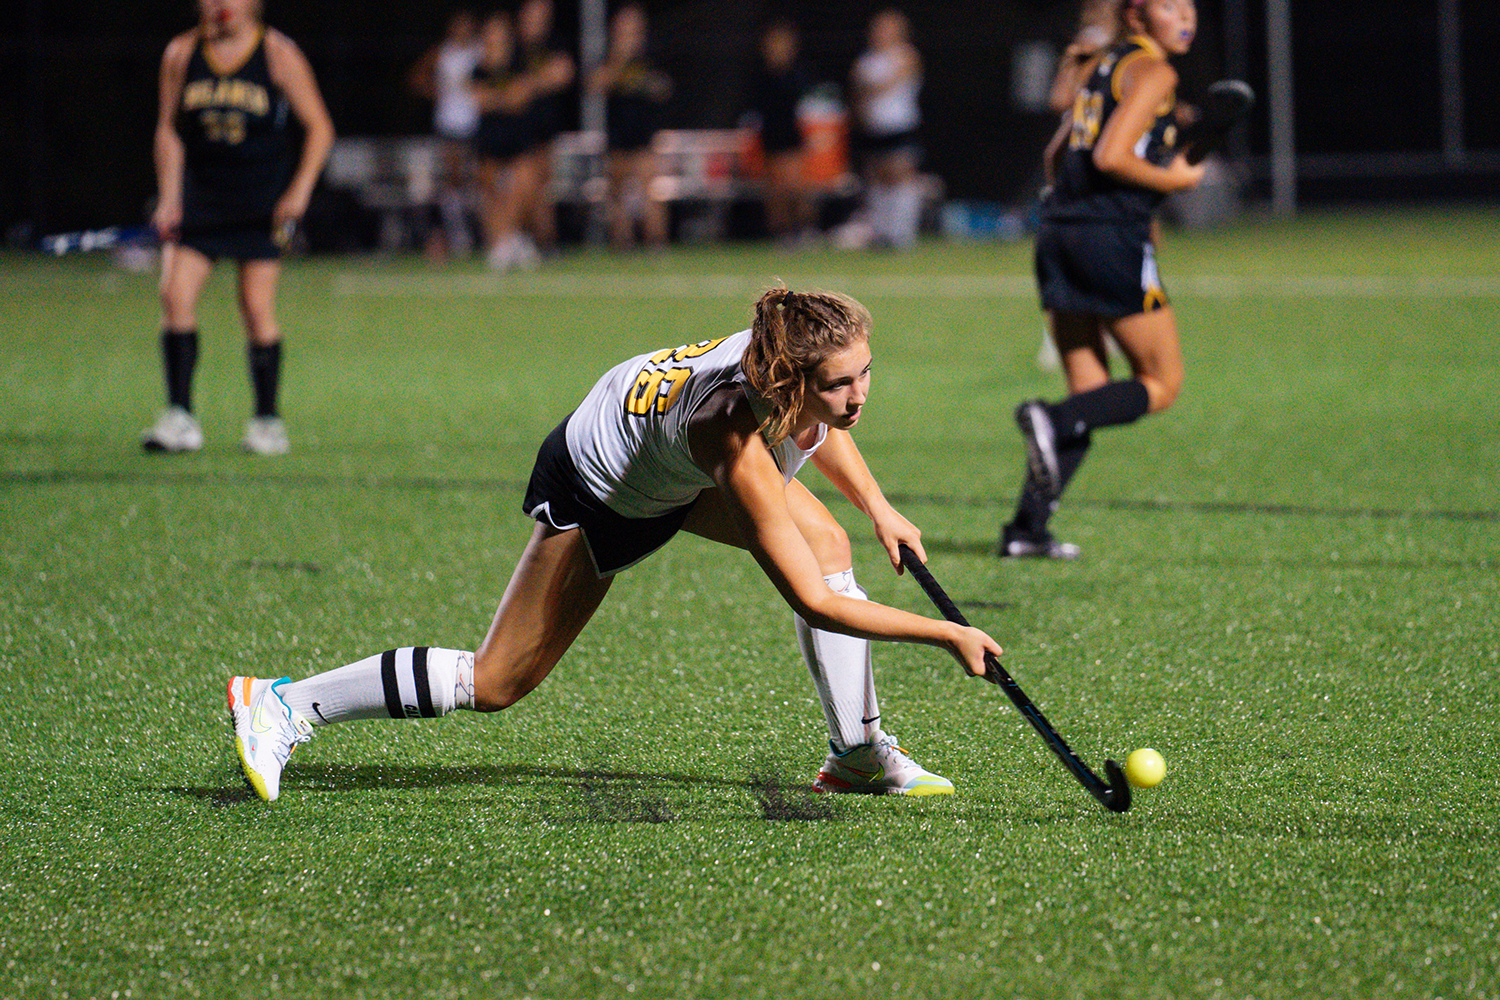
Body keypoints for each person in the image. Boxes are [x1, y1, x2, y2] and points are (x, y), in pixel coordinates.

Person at [227, 287, 1005, 802]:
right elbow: (812, 600)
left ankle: (857, 756)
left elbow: (817, 426)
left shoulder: (788, 353)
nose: (859, 395)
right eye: (842, 384)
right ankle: (286, 703)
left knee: (831, 536)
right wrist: (946, 632)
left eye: (866, 373)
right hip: (601, 485)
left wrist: (879, 507)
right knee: (499, 681)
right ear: (790, 379)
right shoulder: (728, 432)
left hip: (659, 454)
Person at [1000, 0, 1204, 560]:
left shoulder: (1101, 65)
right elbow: (1113, 155)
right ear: (1137, 15)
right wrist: (1174, 179)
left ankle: (1026, 529)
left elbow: (1055, 153)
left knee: (1091, 395)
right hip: (1109, 238)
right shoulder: (1155, 70)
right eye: (1169, 7)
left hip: (1059, 233)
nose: (1185, 17)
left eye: (1188, 5)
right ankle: (1050, 419)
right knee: (1162, 383)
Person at [143, 0, 333, 455]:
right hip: (201, 202)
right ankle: (179, 417)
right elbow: (168, 130)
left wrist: (299, 193)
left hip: (261, 205)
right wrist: (170, 198)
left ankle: (267, 421)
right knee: (175, 295)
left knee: (255, 305)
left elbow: (320, 128)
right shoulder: (181, 53)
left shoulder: (278, 54)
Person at [588, 3, 673, 250]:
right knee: (616, 195)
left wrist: (645, 81)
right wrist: (620, 60)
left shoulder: (650, 55)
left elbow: (664, 88)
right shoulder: (607, 55)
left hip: (644, 135)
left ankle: (656, 242)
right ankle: (622, 243)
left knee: (651, 192)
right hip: (617, 136)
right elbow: (594, 83)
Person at [469, 11, 544, 271]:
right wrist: (504, 98)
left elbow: (521, 96)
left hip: (517, 137)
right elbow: (478, 99)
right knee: (491, 195)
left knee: (524, 189)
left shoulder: (519, 61)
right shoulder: (479, 68)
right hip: (490, 138)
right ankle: (502, 245)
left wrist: (497, 99)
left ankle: (510, 240)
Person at [407, 8, 482, 261]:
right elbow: (416, 77)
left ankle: (480, 231)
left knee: (477, 180)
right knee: (452, 179)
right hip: (449, 124)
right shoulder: (442, 52)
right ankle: (457, 232)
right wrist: (434, 91)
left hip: (476, 123)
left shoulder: (479, 51)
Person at [849, 9, 923, 250]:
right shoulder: (865, 61)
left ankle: (902, 234)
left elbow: (883, 85)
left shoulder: (906, 55)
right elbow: (856, 93)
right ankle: (880, 232)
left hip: (899, 125)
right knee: (877, 178)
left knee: (901, 176)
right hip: (873, 128)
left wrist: (868, 89)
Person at [514, 0, 575, 258]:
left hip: (545, 128)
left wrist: (529, 84)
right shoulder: (513, 44)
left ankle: (543, 243)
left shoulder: (555, 43)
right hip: (512, 130)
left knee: (541, 187)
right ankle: (518, 238)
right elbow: (507, 90)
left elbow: (563, 75)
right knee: (522, 188)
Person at [750, 19, 814, 247]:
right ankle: (781, 233)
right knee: (775, 189)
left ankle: (804, 230)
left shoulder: (796, 75)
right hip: (770, 135)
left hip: (791, 134)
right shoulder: (760, 76)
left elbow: (804, 105)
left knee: (795, 186)